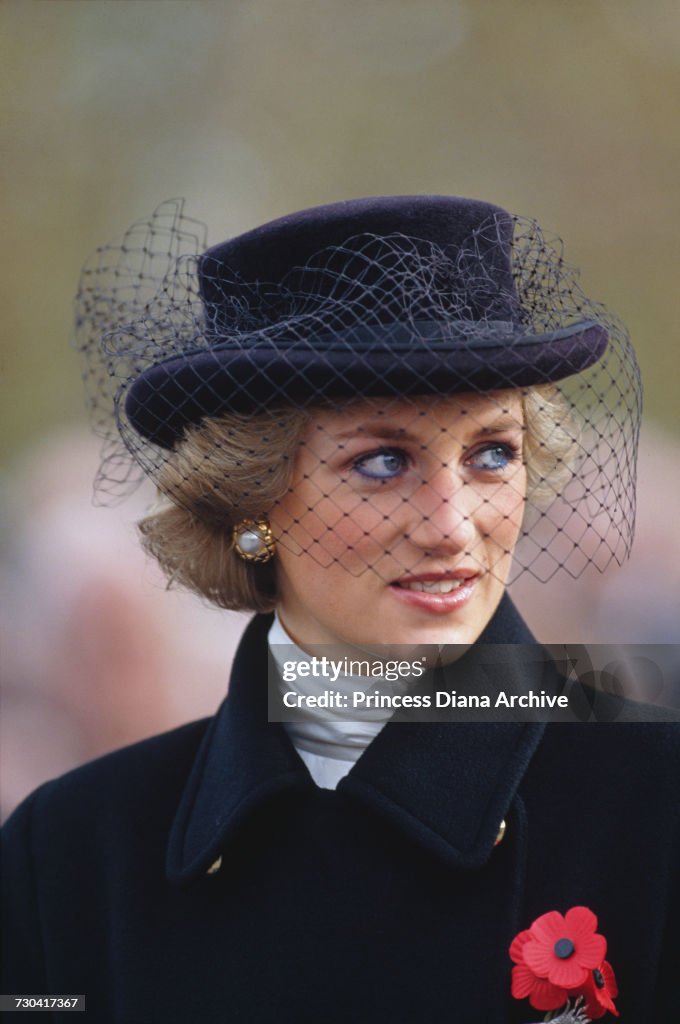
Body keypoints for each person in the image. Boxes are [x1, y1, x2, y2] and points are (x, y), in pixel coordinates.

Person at [1, 196, 678, 1022]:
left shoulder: (655, 800)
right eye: (383, 462)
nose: (452, 524)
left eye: (492, 454)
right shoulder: (70, 852)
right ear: (249, 501)